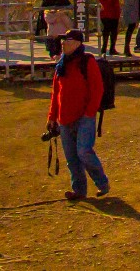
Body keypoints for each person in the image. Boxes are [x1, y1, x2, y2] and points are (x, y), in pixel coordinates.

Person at [44, 28, 109, 200]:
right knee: (72, 158)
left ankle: (102, 183)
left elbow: (97, 89)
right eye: (64, 41)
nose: (64, 44)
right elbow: (56, 92)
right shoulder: (61, 65)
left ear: (78, 44)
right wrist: (52, 116)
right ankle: (79, 191)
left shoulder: (87, 62)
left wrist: (89, 112)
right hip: (65, 118)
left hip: (84, 116)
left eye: (68, 41)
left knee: (84, 152)